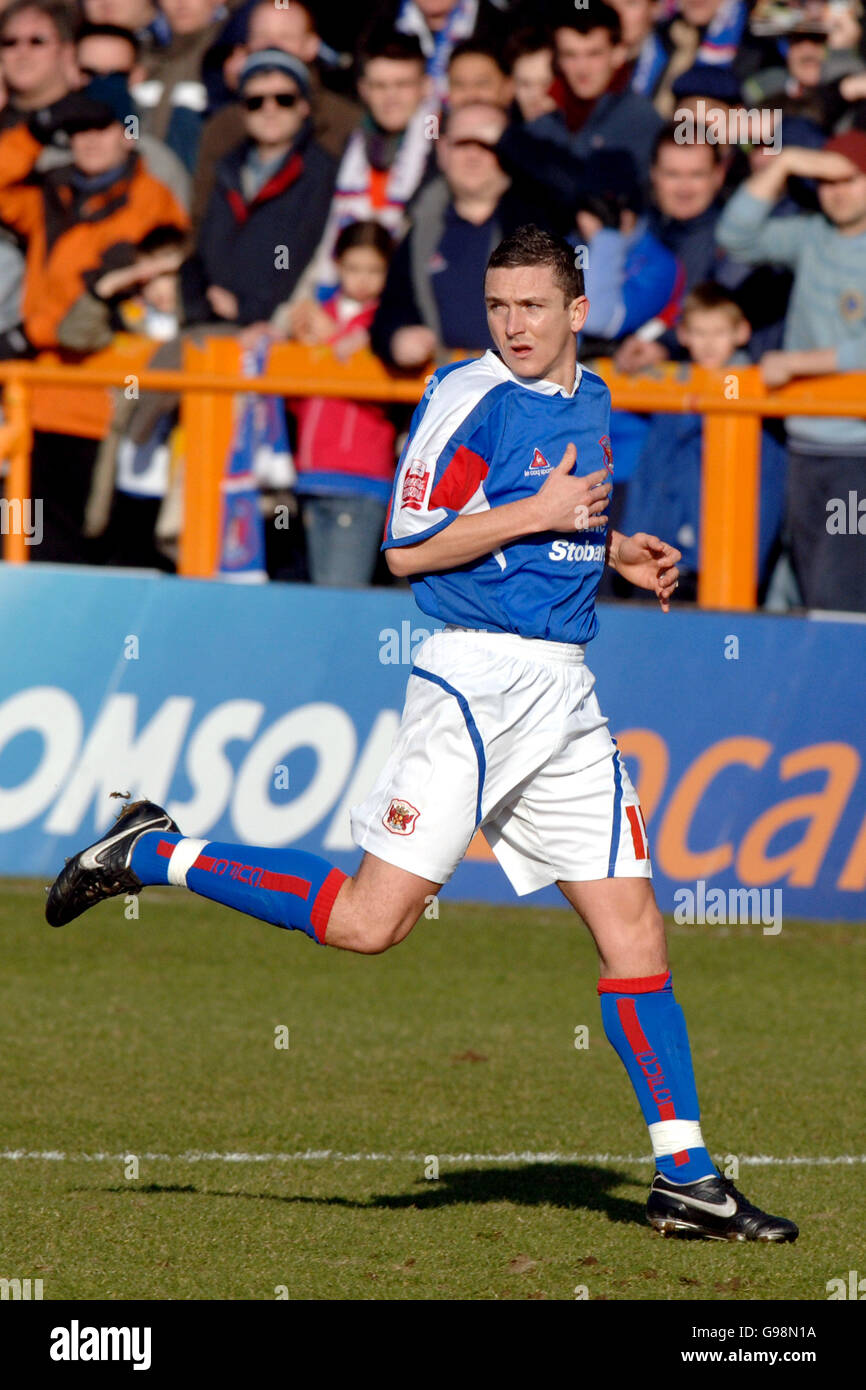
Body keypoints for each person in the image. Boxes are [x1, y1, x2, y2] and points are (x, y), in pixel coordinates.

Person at [46, 223, 799, 1247]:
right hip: (475, 680)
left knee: (635, 933)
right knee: (368, 924)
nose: (513, 325)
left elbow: (551, 512)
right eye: (497, 305)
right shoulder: (466, 396)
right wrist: (533, 513)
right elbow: (407, 551)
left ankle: (685, 1176)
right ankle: (155, 849)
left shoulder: (593, 393)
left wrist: (609, 546)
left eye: (532, 305)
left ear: (578, 312)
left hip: (565, 689)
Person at [716, 131, 866, 613]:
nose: (837, 192)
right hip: (801, 443)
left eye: (851, 180)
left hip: (856, 451)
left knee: (838, 598)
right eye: (826, 181)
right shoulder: (811, 234)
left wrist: (797, 363)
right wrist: (783, 166)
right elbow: (734, 237)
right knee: (802, 590)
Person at [370, 101, 567, 369]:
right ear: (442, 149)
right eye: (463, 143)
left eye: (488, 145)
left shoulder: (544, 220)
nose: (474, 156)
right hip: (447, 395)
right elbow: (391, 310)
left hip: (527, 396)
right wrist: (397, 337)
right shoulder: (421, 226)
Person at [622, 283, 787, 600]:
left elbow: (766, 490)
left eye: (719, 332)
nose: (709, 343)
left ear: (742, 332)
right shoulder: (669, 385)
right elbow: (654, 474)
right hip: (661, 555)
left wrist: (751, 566)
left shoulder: (758, 396)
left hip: (720, 562)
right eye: (699, 332)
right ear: (683, 334)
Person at [180, 49, 335, 327]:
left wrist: (251, 310)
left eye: (284, 99)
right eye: (255, 101)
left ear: (304, 106)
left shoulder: (322, 173)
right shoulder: (226, 168)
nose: (269, 109)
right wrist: (200, 302)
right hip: (214, 323)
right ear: (242, 110)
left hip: (278, 332)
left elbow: (305, 260)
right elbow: (201, 251)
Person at [284, 220, 398, 588]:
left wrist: (341, 341)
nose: (362, 279)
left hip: (361, 479)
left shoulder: (387, 324)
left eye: (374, 269)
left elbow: (388, 395)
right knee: (322, 595)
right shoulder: (314, 314)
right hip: (311, 474)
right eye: (352, 268)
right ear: (336, 265)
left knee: (341, 596)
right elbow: (296, 399)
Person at [191, 0, 360, 229]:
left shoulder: (345, 122)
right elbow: (200, 217)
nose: (273, 46)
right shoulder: (224, 125)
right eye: (262, 37)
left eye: (285, 37)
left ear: (312, 47)